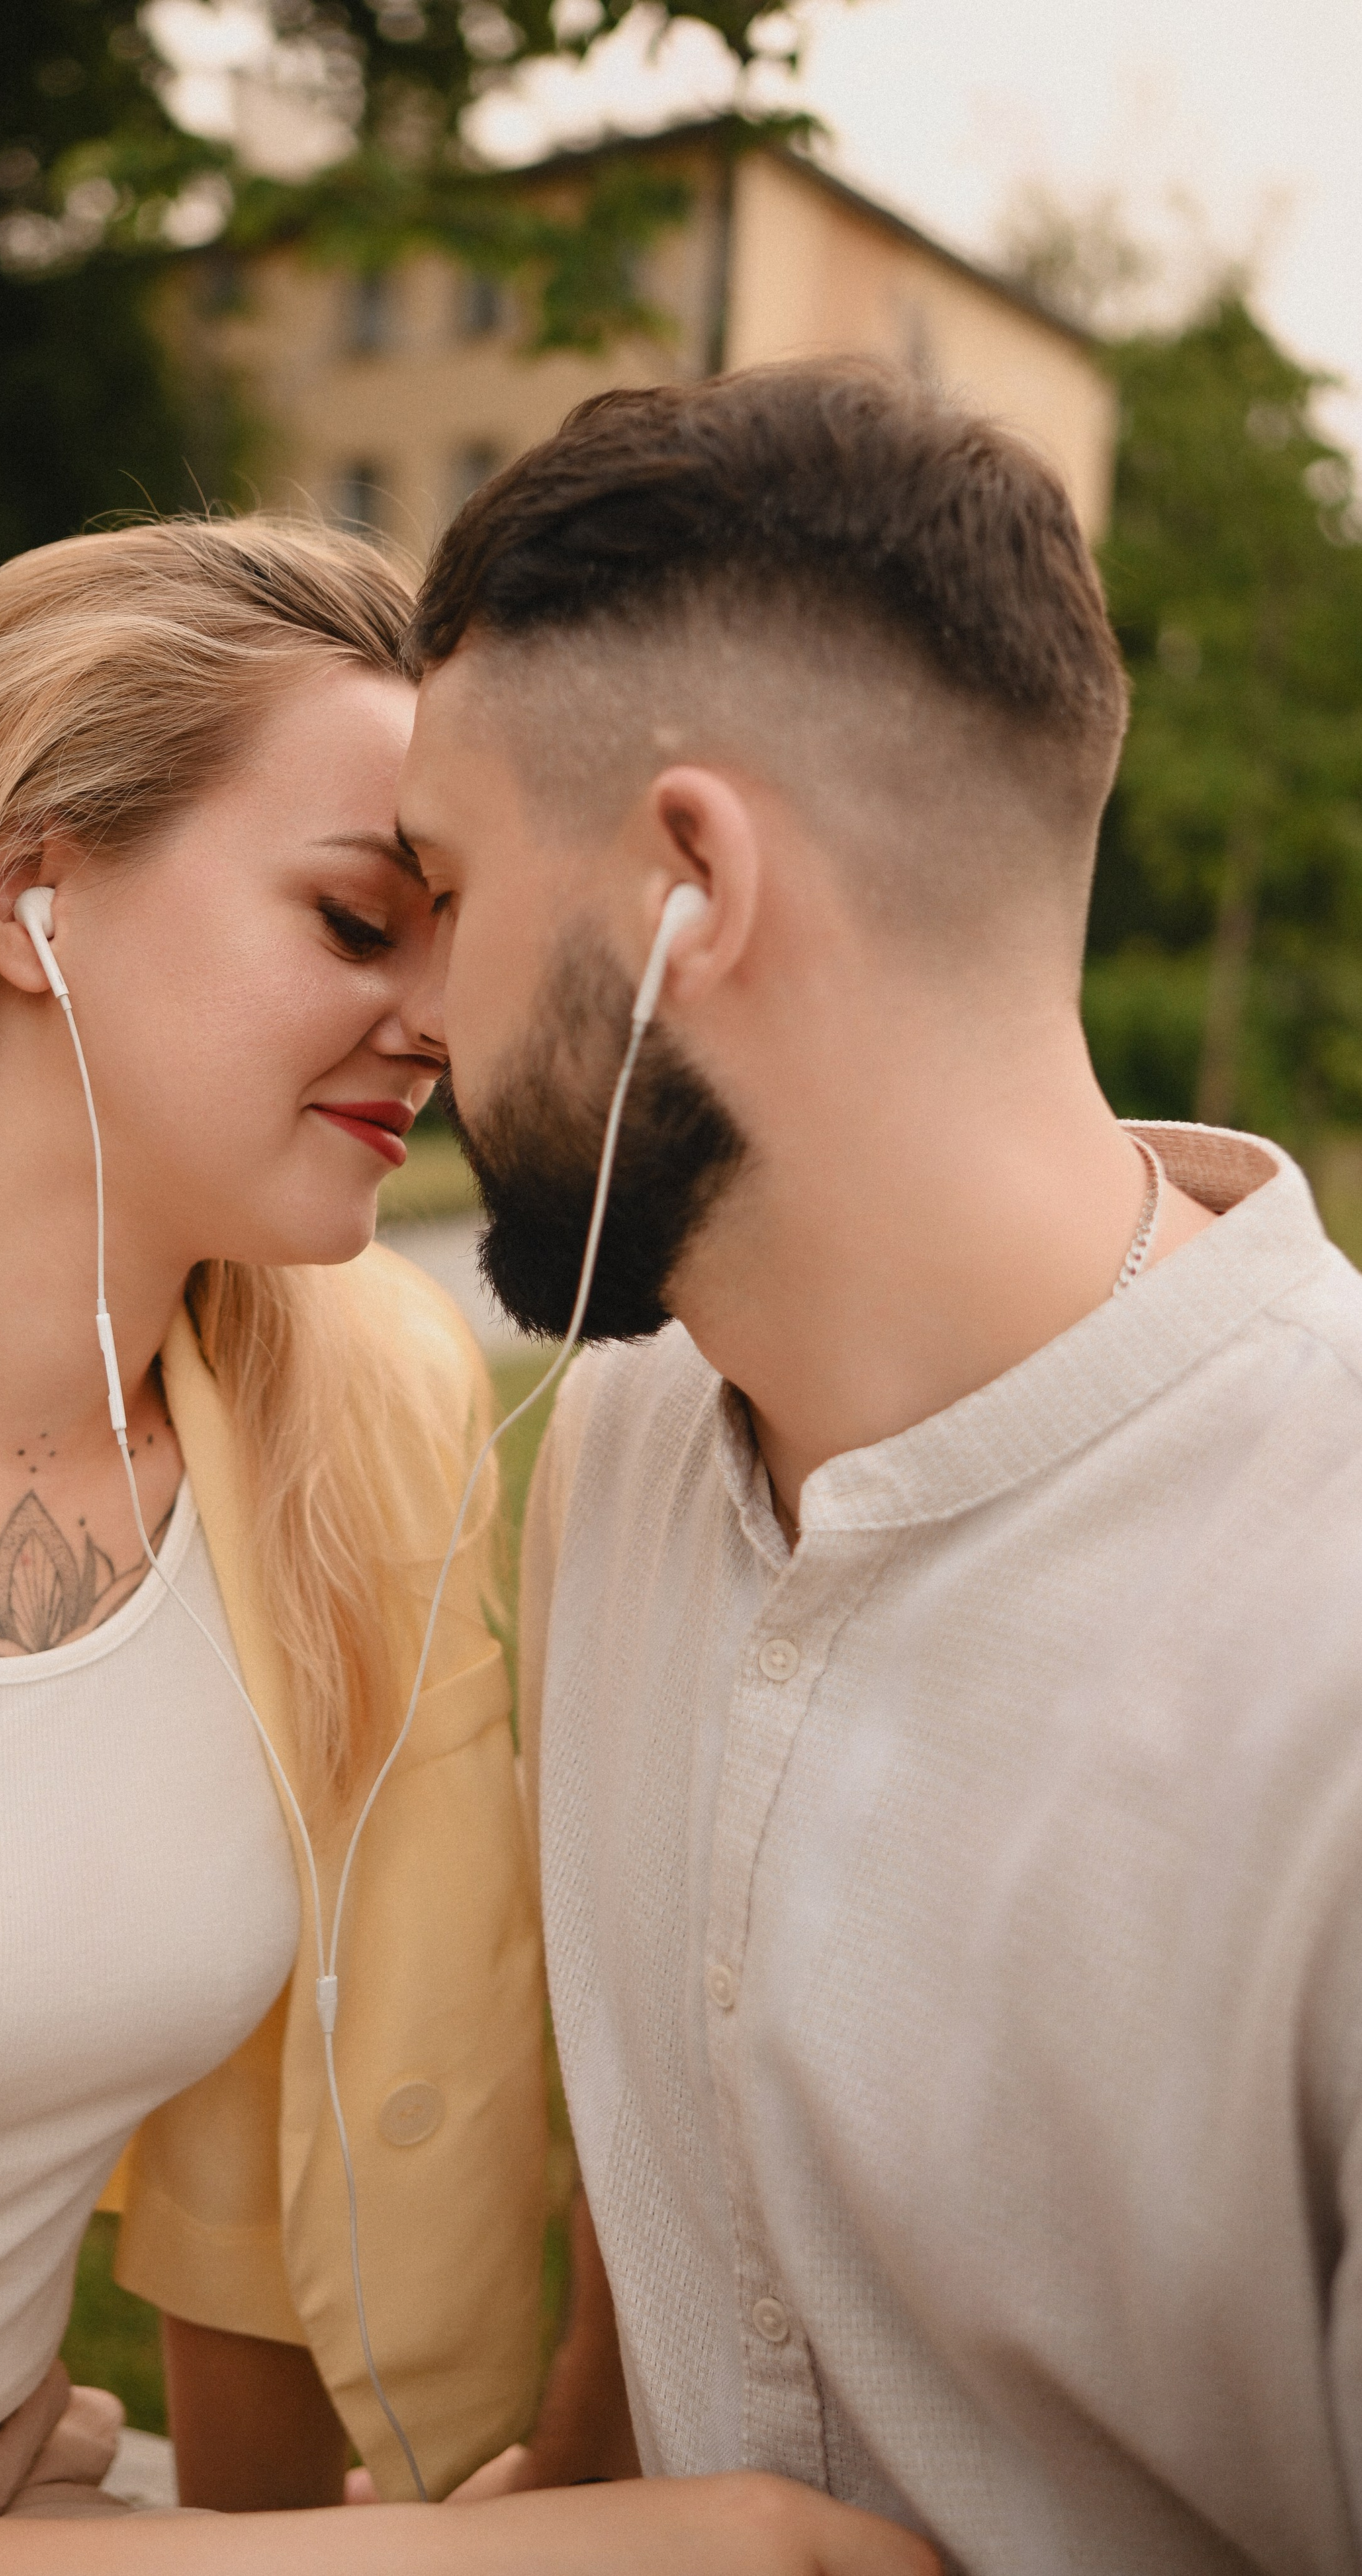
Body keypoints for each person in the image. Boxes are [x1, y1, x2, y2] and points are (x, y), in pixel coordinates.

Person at [0, 514, 934, 2576]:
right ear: (25, 891)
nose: (445, 1017)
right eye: (356, 922)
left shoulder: (371, 1406)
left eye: (459, 923)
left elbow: (275, 2188)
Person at [396, 361, 1362, 2571]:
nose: (417, 1011)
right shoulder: (625, 1436)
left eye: (441, 889)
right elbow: (649, 2215)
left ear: (688, 886)